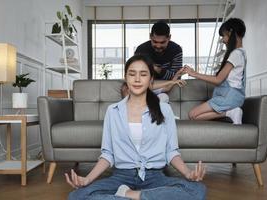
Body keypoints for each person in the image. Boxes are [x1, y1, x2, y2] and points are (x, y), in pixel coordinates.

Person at [65, 54, 206, 200]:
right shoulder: (113, 111)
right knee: (77, 196)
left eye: (143, 74)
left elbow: (171, 151)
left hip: (155, 176)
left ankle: (130, 195)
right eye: (132, 74)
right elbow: (108, 154)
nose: (137, 79)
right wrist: (87, 179)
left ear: (151, 79)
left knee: (196, 190)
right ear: (126, 77)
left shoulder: (164, 110)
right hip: (121, 177)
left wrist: (188, 173)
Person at [185, 18, 247, 125]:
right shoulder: (242, 53)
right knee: (193, 116)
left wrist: (194, 74)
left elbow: (218, 80)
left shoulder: (236, 54)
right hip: (234, 97)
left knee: (192, 115)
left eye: (224, 35)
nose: (223, 40)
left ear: (231, 33)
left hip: (229, 97)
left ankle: (229, 113)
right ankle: (229, 112)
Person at [120, 67, 187, 103]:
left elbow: (167, 88)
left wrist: (177, 75)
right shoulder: (127, 87)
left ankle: (164, 116)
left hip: (153, 111)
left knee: (163, 96)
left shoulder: (150, 88)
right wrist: (170, 82)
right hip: (136, 112)